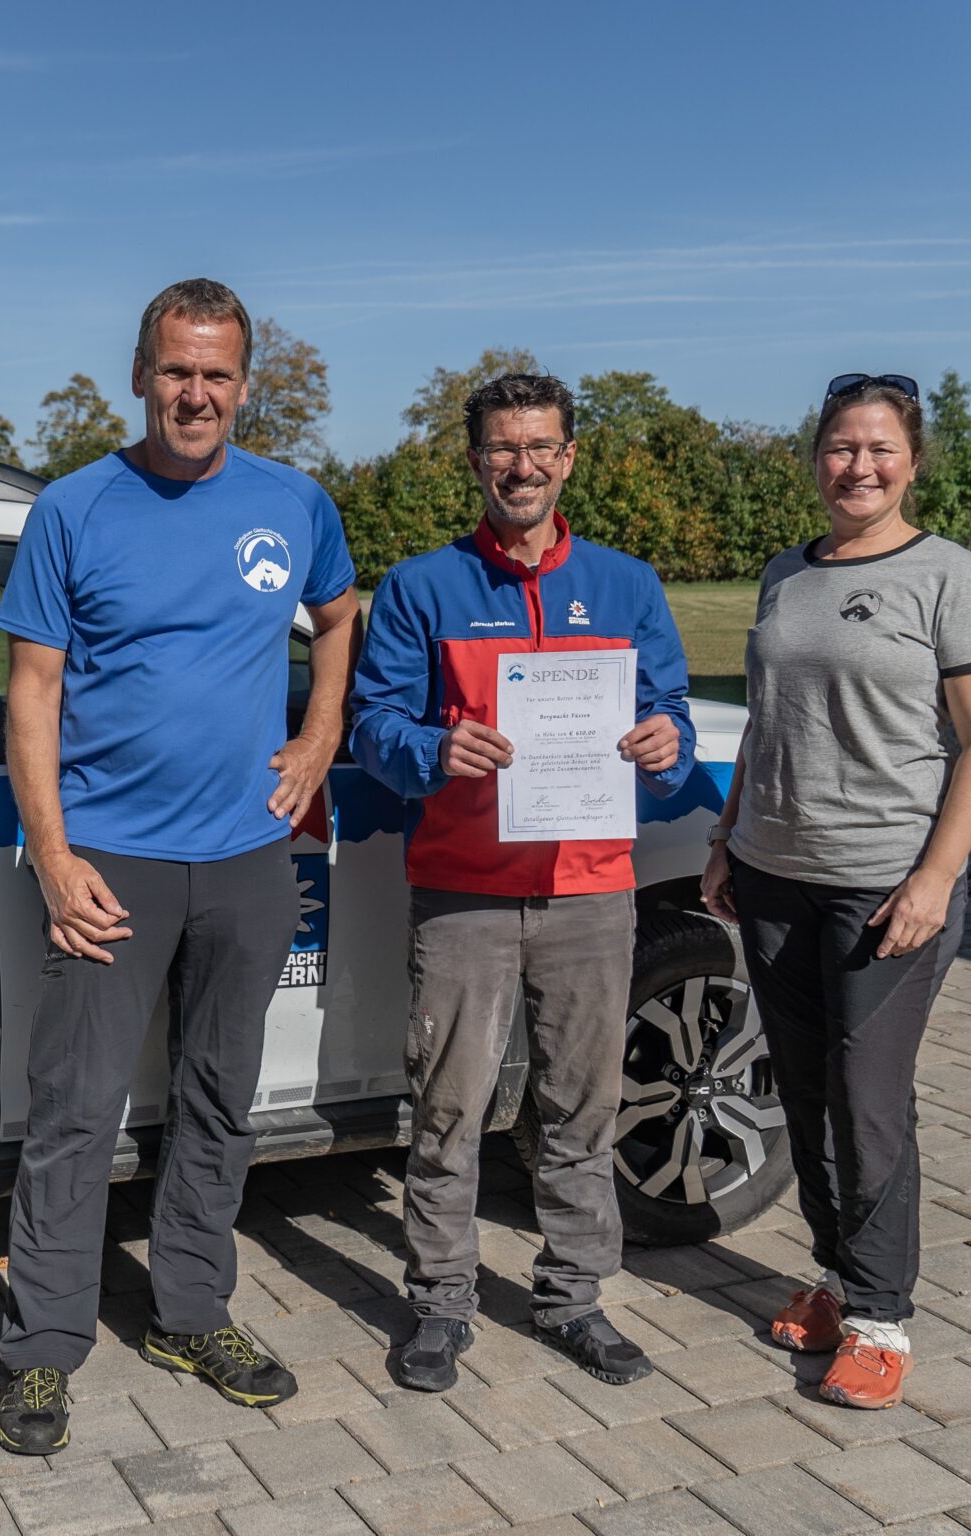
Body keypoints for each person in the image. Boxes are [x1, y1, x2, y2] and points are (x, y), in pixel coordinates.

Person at [0, 278, 361, 1454]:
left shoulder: (295, 502)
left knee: (219, 1101)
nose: (194, 393)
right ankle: (45, 1349)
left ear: (246, 385)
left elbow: (341, 615)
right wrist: (51, 856)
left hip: (249, 858)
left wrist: (320, 735)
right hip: (112, 863)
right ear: (140, 374)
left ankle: (191, 1312)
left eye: (216, 374)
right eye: (175, 370)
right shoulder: (75, 510)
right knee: (75, 1112)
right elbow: (33, 693)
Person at [350, 373, 695, 1391]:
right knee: (451, 1110)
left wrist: (664, 741)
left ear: (569, 457)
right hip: (464, 891)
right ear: (475, 462)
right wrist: (431, 748)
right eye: (503, 449)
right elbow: (375, 725)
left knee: (580, 1109)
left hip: (592, 887)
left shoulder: (627, 585)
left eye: (541, 446)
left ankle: (573, 1299)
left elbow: (667, 717)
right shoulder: (423, 588)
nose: (523, 466)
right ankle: (441, 1304)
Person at [701, 372, 971, 1409]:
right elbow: (767, 719)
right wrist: (729, 835)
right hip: (776, 876)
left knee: (869, 1104)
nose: (858, 466)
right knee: (807, 1092)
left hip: (885, 888)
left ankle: (882, 1318)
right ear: (814, 457)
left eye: (879, 448)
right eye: (840, 447)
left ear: (912, 461)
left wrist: (936, 874)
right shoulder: (788, 571)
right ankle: (834, 1279)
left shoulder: (948, 576)